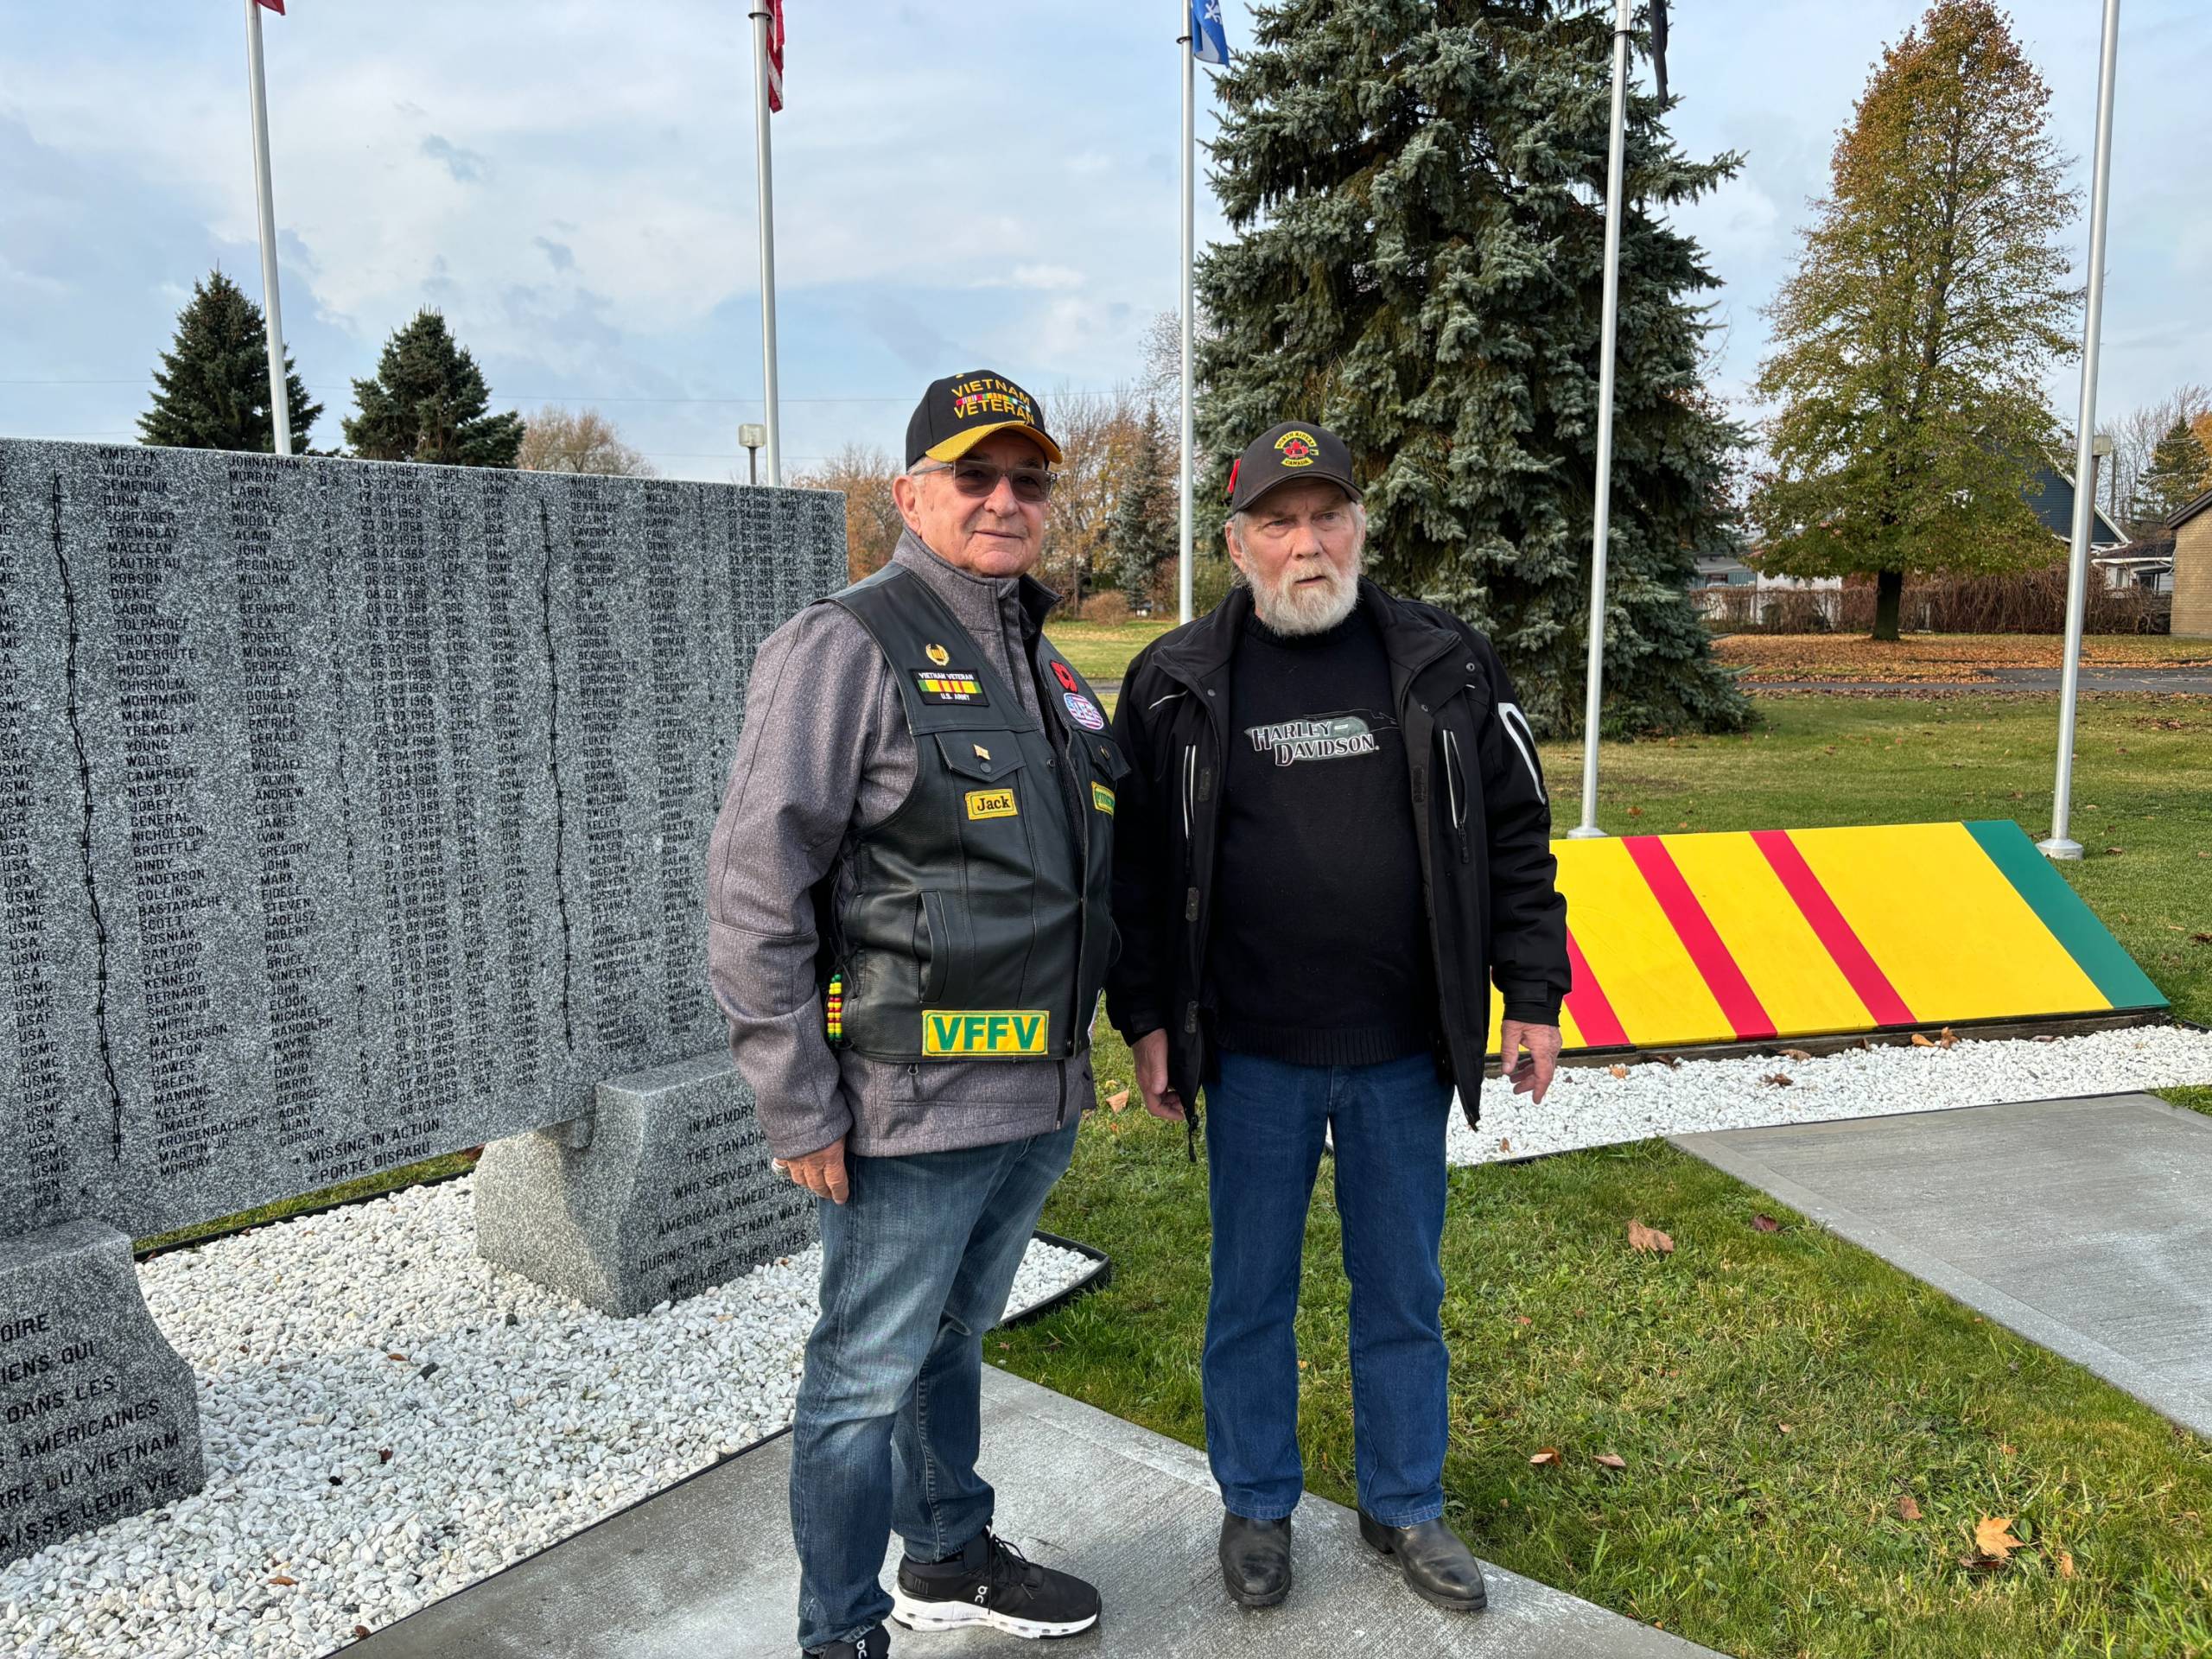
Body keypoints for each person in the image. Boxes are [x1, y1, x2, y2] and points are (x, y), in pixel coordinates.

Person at [1105, 421, 1569, 1617]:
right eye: (1277, 521)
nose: (1305, 543)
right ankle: (1257, 1501)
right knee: (1249, 1290)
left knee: (1402, 1290)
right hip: (1250, 1052)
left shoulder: (1447, 663)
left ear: (1361, 526)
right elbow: (1139, 877)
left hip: (1400, 1050)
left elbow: (1519, 840)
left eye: (1326, 517)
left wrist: (1532, 996)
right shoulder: (1173, 681)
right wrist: (1148, 1018)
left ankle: (1404, 1502)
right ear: (1236, 541)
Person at [708, 371, 1125, 1658]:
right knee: (858, 1385)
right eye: (974, 476)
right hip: (907, 1107)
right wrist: (797, 1103)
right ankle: (840, 1637)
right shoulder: (847, 645)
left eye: (1028, 480)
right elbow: (752, 889)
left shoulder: (1036, 657)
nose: (1005, 500)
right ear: (909, 494)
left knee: (952, 1340)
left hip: (1032, 1096)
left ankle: (945, 1556)